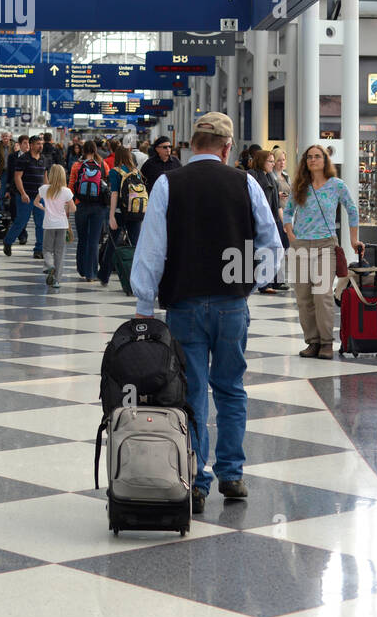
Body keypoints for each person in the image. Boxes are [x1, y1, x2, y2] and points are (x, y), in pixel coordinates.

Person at [131, 113, 284, 512]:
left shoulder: (168, 183)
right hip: (232, 304)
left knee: (192, 391)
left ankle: (196, 479)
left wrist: (144, 305)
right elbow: (273, 245)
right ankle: (232, 474)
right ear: (228, 147)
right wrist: (250, 284)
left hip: (183, 305)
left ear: (190, 144)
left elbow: (151, 248)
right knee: (231, 387)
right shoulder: (245, 182)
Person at [283, 145, 361, 360]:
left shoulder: (337, 185)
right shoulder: (300, 185)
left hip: (325, 245)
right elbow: (288, 211)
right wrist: (291, 234)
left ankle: (326, 342)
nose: (313, 160)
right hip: (301, 245)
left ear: (325, 160)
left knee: (322, 295)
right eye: (309, 157)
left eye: (317, 156)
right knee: (303, 297)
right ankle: (312, 342)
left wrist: (353, 239)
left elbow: (352, 210)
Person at [248, 149, 288, 294]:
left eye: (273, 161)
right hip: (257, 219)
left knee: (275, 250)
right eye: (270, 161)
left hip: (271, 218)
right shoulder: (253, 176)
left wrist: (284, 223)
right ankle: (263, 283)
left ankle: (269, 281)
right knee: (261, 251)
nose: (273, 164)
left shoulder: (271, 179)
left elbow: (276, 205)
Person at [69, 139, 109, 281]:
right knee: (94, 240)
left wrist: (71, 204)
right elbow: (107, 185)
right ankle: (92, 273)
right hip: (98, 207)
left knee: (82, 239)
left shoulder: (77, 165)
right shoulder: (103, 165)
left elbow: (71, 187)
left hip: (81, 205)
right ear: (95, 150)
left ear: (83, 150)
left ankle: (81, 269)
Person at [3, 134, 47, 259]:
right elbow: (17, 177)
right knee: (21, 222)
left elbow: (45, 177)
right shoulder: (23, 159)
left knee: (41, 224)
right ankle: (8, 241)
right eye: (38, 144)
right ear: (32, 145)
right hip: (25, 196)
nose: (40, 146)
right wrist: (23, 193)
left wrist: (47, 192)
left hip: (40, 197)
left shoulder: (43, 159)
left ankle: (39, 249)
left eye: (42, 144)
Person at [34, 163, 74, 291]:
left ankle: (49, 265)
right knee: (59, 252)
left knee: (46, 249)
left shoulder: (44, 189)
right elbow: (73, 208)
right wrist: (65, 207)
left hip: (49, 224)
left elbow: (35, 202)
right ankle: (56, 280)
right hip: (62, 224)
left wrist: (44, 208)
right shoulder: (66, 191)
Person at [108, 144, 147, 248]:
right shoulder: (136, 172)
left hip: (120, 212)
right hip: (135, 211)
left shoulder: (115, 171)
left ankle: (108, 264)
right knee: (134, 245)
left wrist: (111, 216)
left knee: (113, 246)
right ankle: (131, 264)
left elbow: (114, 193)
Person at [272, 146, 292, 214]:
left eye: (283, 160)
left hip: (287, 211)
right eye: (279, 160)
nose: (282, 162)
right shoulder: (269, 176)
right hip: (276, 213)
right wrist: (277, 195)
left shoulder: (286, 176)